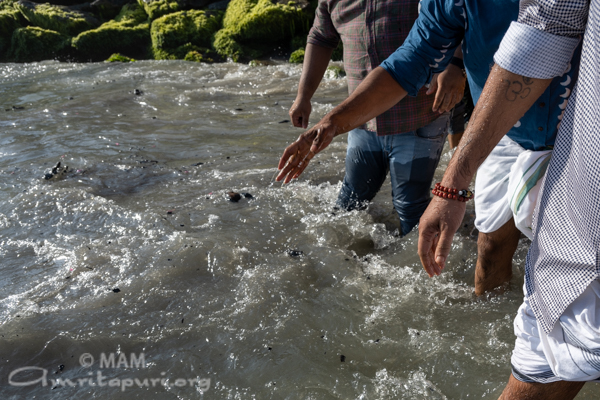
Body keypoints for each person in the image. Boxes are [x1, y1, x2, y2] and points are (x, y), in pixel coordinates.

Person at [277, 0, 579, 296]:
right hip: (498, 131)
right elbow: (414, 57)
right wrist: (333, 122)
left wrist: (453, 182)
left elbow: (537, 49)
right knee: (490, 245)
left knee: (570, 266)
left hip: (579, 129)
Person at [417, 0, 600, 398]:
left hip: (575, 160)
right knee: (493, 246)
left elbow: (546, 30)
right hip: (532, 143)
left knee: (556, 342)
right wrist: (454, 182)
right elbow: (549, 27)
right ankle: (487, 307)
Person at [284, 0, 467, 237]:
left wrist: (455, 64)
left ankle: (429, 267)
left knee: (411, 210)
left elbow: (458, 18)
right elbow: (320, 37)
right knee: (349, 205)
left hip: (418, 116)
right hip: (362, 119)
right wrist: (303, 95)